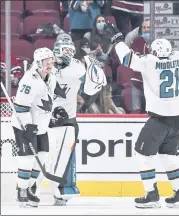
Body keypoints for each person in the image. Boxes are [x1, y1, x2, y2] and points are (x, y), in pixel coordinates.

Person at [103, 18, 179, 208]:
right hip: (176, 121)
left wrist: (117, 39)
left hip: (158, 120)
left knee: (143, 155)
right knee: (169, 156)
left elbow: (126, 58)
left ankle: (151, 193)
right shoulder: (177, 59)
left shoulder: (148, 62)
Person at [31, 34, 107, 206]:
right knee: (43, 158)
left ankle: (61, 193)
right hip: (46, 120)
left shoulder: (77, 66)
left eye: (71, 50)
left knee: (64, 160)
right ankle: (32, 188)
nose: (68, 53)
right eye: (64, 49)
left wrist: (94, 66)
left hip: (68, 122)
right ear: (56, 49)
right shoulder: (45, 64)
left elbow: (94, 84)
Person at [11, 48, 57, 207]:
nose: (50, 64)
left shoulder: (51, 76)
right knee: (27, 159)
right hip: (25, 126)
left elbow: (49, 99)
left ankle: (30, 188)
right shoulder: (29, 80)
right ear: (38, 63)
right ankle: (21, 190)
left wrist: (54, 114)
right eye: (46, 61)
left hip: (42, 126)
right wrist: (28, 126)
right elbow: (20, 107)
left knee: (42, 158)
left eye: (51, 60)